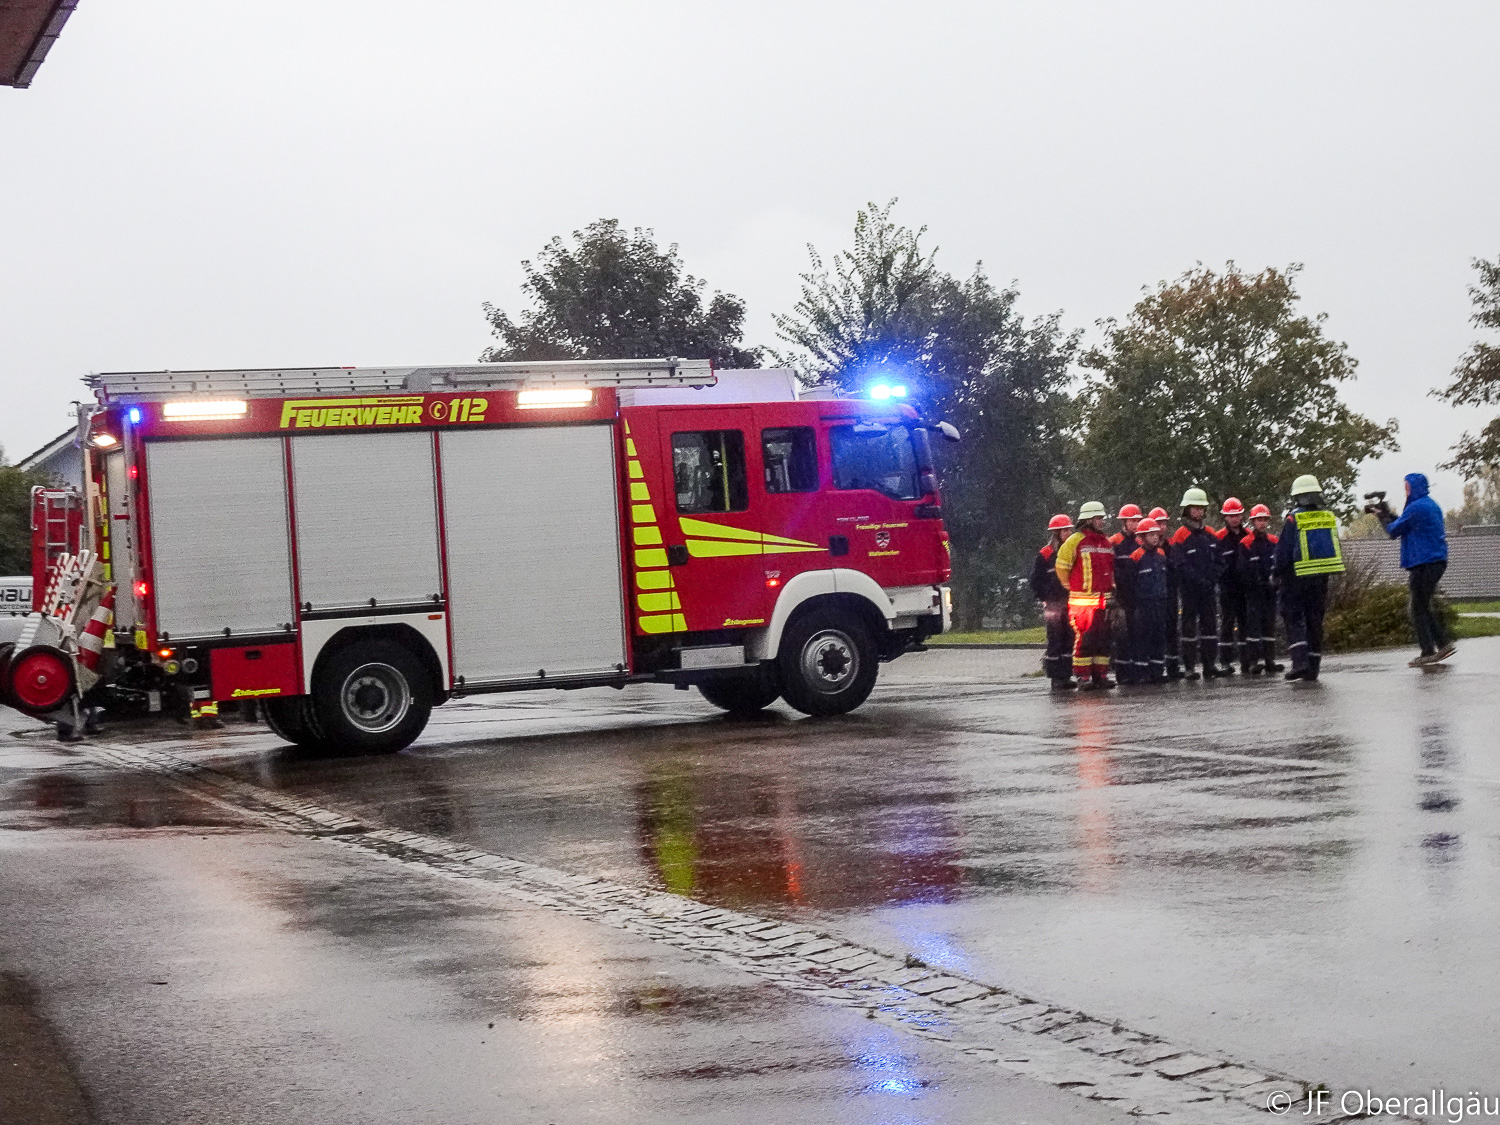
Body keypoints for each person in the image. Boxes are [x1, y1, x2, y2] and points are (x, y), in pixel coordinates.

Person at [1377, 473, 1455, 667]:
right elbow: (1405, 523)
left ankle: (1428, 651)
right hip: (1434, 560)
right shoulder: (1428, 504)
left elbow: (1394, 530)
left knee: (1417, 608)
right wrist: (1389, 515)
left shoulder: (1416, 507)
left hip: (1424, 562)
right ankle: (1443, 644)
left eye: (1407, 487)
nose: (1406, 491)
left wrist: (1381, 517)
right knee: (1423, 605)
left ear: (1414, 487)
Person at [1274, 474, 1344, 681]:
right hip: (1322, 576)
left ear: (1298, 496)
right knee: (1315, 620)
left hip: (1297, 576)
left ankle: (1300, 663)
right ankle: (1313, 667)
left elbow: (1284, 550)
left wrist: (1276, 572)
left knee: (1293, 616)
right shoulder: (1327, 516)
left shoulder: (1294, 518)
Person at [1055, 501, 1116, 690]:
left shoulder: (1106, 542)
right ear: (1088, 520)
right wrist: (1073, 587)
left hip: (1103, 602)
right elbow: (1062, 568)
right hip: (1082, 604)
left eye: (1102, 518)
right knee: (1085, 640)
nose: (1102, 522)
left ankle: (1100, 675)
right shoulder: (1075, 540)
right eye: (1098, 518)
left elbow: (1110, 571)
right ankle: (1083, 677)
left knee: (1103, 640)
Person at [1169, 487, 1224, 679]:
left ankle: (1210, 665)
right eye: (1195, 508)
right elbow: (1180, 565)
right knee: (1189, 629)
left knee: (1210, 627)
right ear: (1187, 510)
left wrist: (1213, 578)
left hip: (1208, 589)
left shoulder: (1211, 533)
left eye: (1201, 508)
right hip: (1190, 590)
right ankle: (1190, 667)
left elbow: (1219, 560)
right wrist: (1198, 580)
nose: (1198, 511)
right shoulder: (1180, 535)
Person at [1031, 514, 1077, 690]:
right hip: (1053, 604)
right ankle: (1055, 677)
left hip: (1070, 601)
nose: (1068, 533)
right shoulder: (1045, 554)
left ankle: (1066, 675)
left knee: (1069, 639)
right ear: (1056, 533)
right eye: (1065, 530)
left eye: (1069, 530)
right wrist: (1045, 597)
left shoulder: (1072, 551)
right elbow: (1035, 580)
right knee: (1055, 639)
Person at [1238, 504, 1284, 675]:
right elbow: (1242, 570)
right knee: (1254, 628)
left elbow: (1278, 564)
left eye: (1264, 520)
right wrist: (1255, 584)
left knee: (1269, 626)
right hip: (1253, 592)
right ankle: (1253, 661)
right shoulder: (1246, 543)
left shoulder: (1274, 541)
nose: (1262, 523)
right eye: (1258, 520)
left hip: (1270, 591)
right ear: (1253, 521)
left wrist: (1276, 582)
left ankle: (1270, 660)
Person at [1124, 518, 1172, 683]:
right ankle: (1142, 673)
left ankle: (1157, 671)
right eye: (1150, 535)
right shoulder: (1135, 557)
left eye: (1156, 535)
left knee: (1159, 637)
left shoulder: (1161, 555)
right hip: (1144, 605)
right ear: (1142, 537)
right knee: (1143, 638)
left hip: (1160, 602)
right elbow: (1129, 584)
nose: (1154, 538)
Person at [1214, 497, 1250, 674]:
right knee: (1227, 623)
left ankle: (1246, 661)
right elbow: (1215, 563)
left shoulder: (1248, 535)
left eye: (1237, 515)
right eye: (1231, 515)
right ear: (1225, 517)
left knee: (1245, 623)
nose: (1234, 518)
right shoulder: (1219, 537)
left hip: (1245, 587)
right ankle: (1225, 661)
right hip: (1227, 588)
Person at [1148, 506, 1185, 679]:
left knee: (1171, 629)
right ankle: (1154, 668)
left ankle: (1173, 667)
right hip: (1151, 596)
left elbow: (1177, 567)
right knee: (1154, 630)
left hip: (1169, 592)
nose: (1161, 527)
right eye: (1158, 523)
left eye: (1164, 524)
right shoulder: (1145, 548)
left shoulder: (1171, 545)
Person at [1110, 504, 1145, 683]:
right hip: (1121, 597)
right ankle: (1123, 674)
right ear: (1124, 522)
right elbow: (1111, 569)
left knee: (1137, 634)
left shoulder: (1141, 541)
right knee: (1122, 636)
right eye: (1133, 521)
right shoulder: (1114, 542)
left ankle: (1137, 671)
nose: (1136, 524)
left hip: (1138, 595)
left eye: (1138, 520)